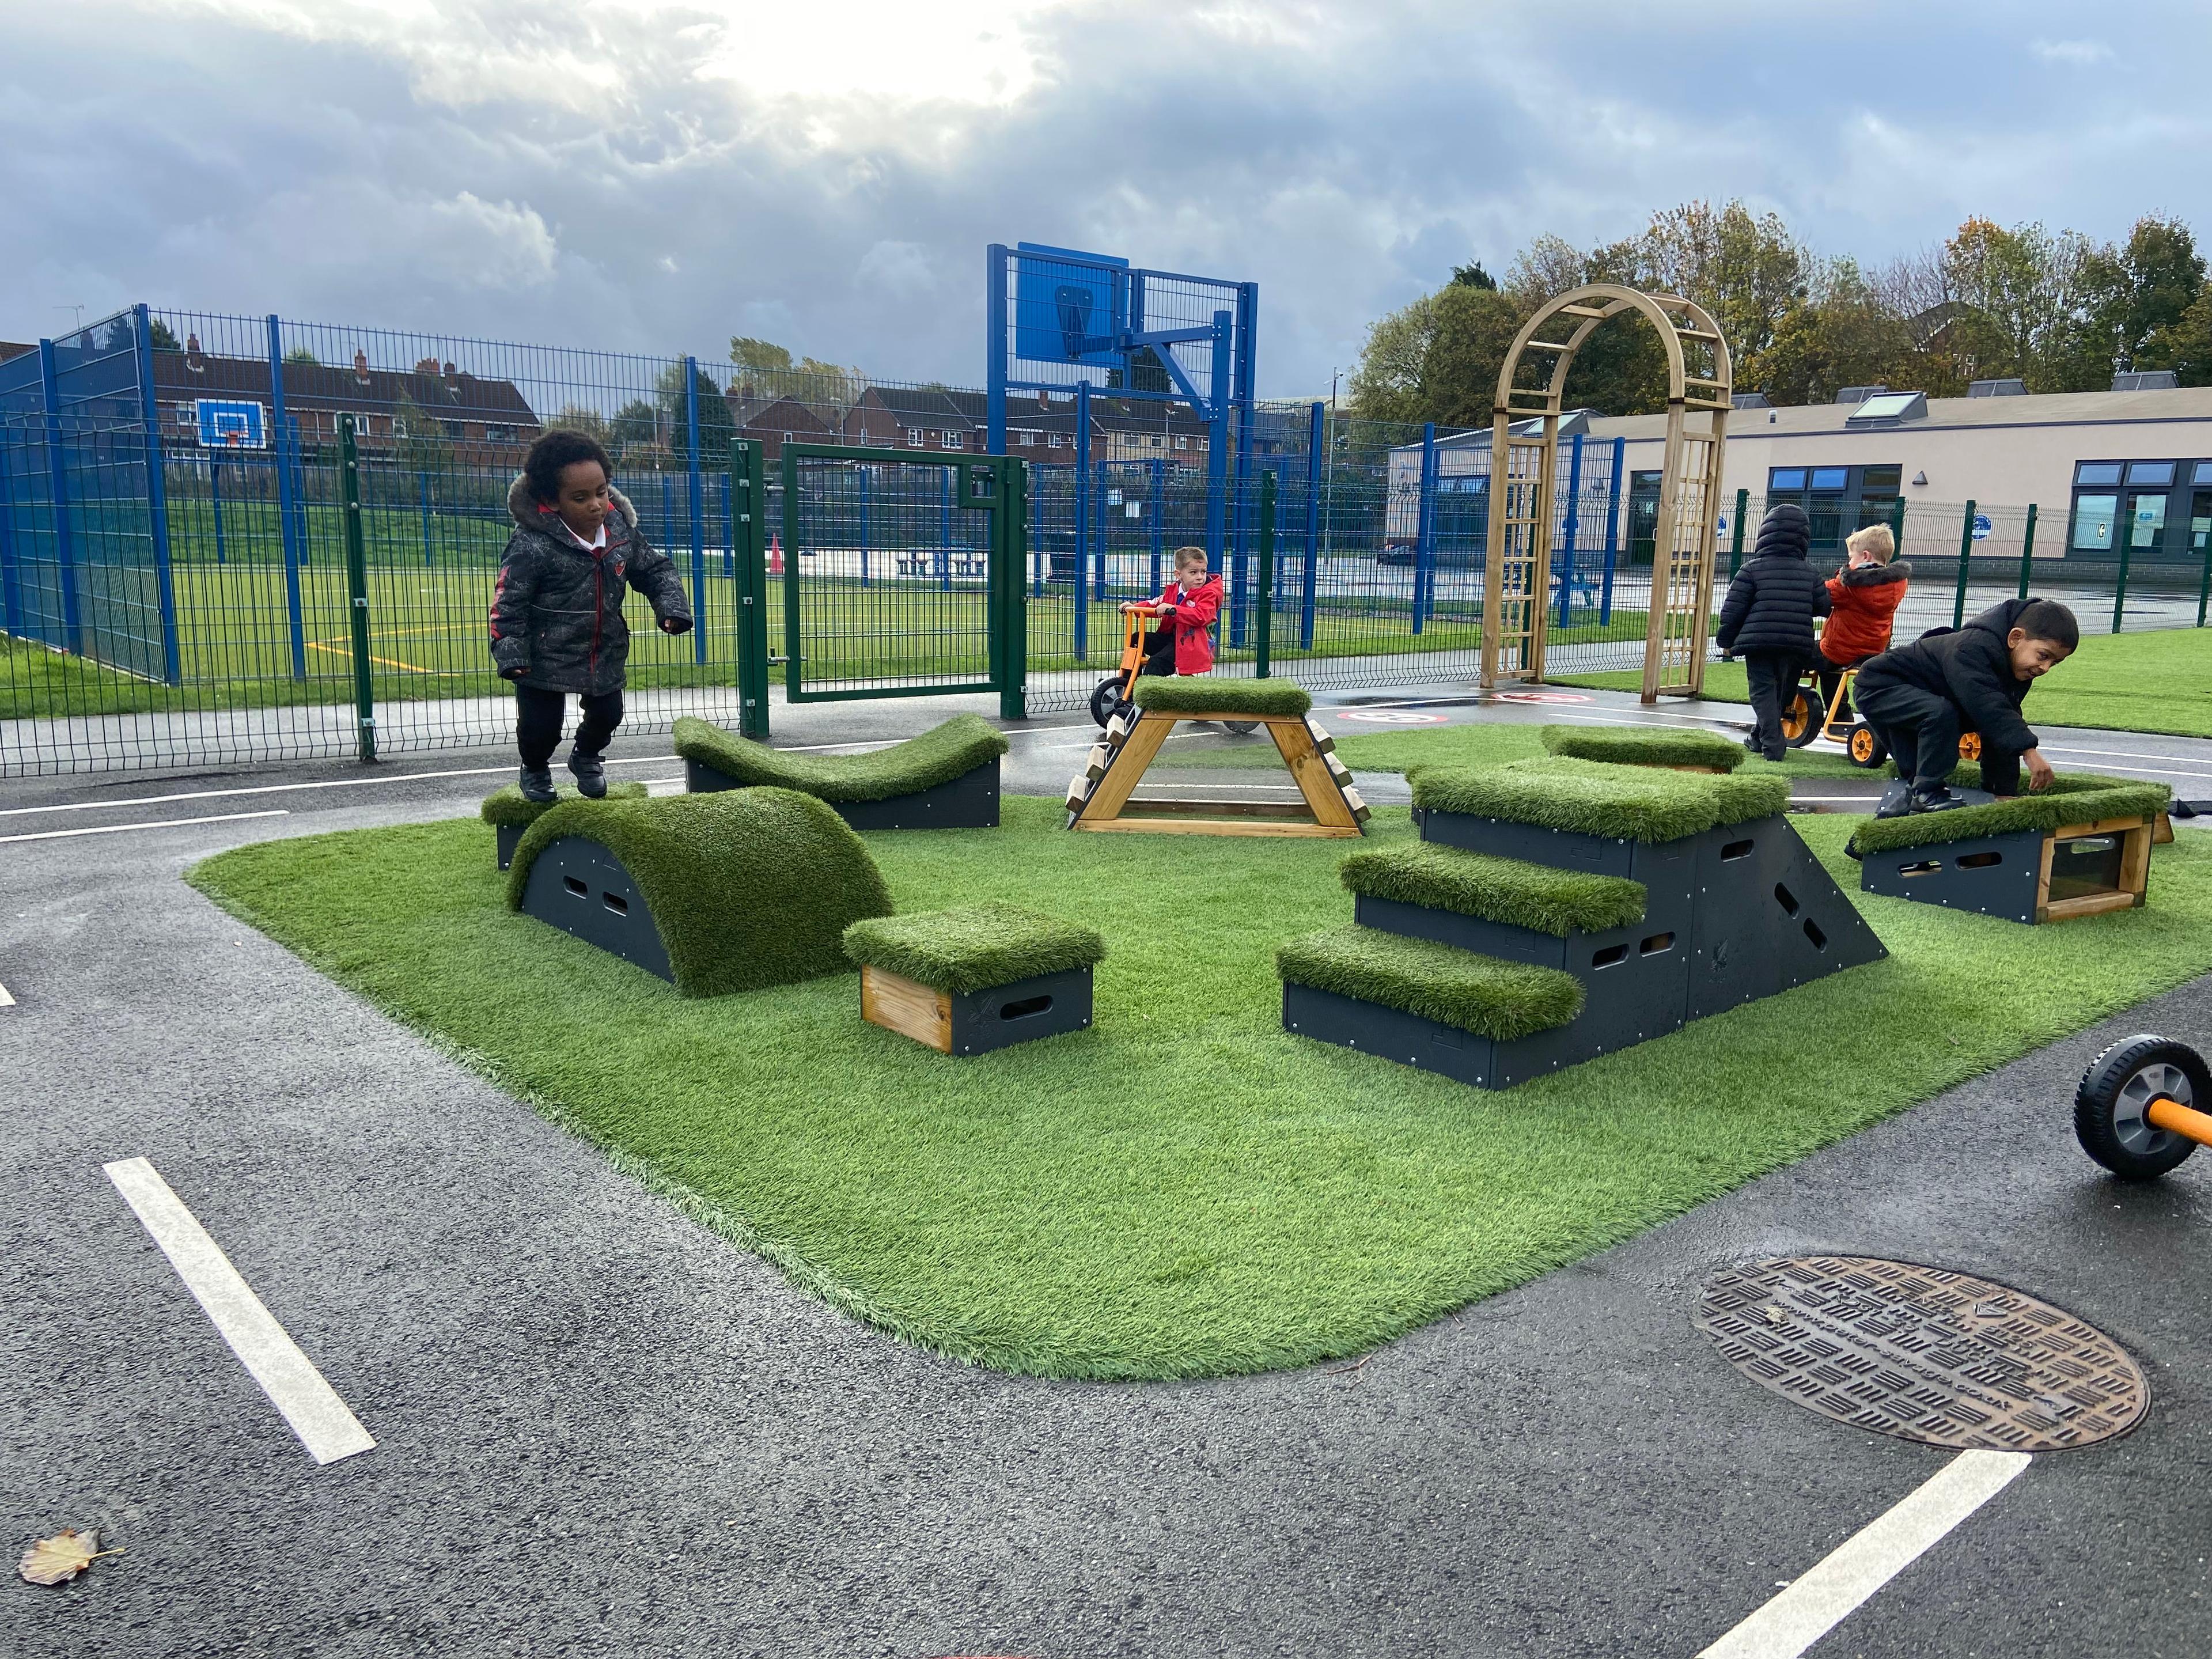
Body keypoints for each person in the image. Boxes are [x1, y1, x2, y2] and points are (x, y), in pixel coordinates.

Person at [490, 430, 692, 803]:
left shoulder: (620, 530)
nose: (596, 505)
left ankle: (586, 757)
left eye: (601, 492)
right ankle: (534, 769)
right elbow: (509, 603)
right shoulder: (532, 543)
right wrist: (512, 654)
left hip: (603, 650)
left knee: (608, 714)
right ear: (552, 500)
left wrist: (672, 609)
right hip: (545, 658)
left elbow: (655, 570)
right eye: (580, 498)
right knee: (540, 728)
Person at [1853, 597, 2078, 816]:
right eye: (2044, 656)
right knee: (1939, 717)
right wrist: (2028, 750)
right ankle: (1926, 794)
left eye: (2054, 663)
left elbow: (2000, 724)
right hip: (1881, 686)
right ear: (2015, 637)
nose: (2046, 668)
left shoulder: (2016, 671)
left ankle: (1869, 844)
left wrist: (2002, 792)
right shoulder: (1971, 648)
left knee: (1918, 776)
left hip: (1924, 699)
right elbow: (1988, 706)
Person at [1715, 502, 1829, 761]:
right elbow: (1823, 607)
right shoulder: (1810, 573)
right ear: (1804, 538)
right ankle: (1758, 738)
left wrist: (1726, 640)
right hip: (1795, 642)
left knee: (1763, 690)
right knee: (1783, 691)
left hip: (1759, 642)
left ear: (1765, 534)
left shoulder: (1751, 570)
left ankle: (1772, 745)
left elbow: (1733, 610)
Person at [1815, 522, 1910, 722]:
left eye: (1851, 558)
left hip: (1841, 649)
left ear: (1865, 557)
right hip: (1875, 648)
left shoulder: (1850, 586)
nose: (1849, 563)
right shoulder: (1896, 584)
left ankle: (1840, 715)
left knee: (1807, 656)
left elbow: (1821, 594)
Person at [1139, 545, 1224, 681]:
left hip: (1190, 644)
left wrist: (1174, 610)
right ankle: (1127, 684)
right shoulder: (1174, 591)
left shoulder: (1208, 594)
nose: (1200, 577)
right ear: (1178, 575)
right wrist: (1133, 608)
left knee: (1156, 663)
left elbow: (1201, 616)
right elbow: (1156, 603)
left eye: (1203, 572)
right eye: (1193, 572)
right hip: (1170, 639)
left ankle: (1144, 698)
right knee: (1138, 639)